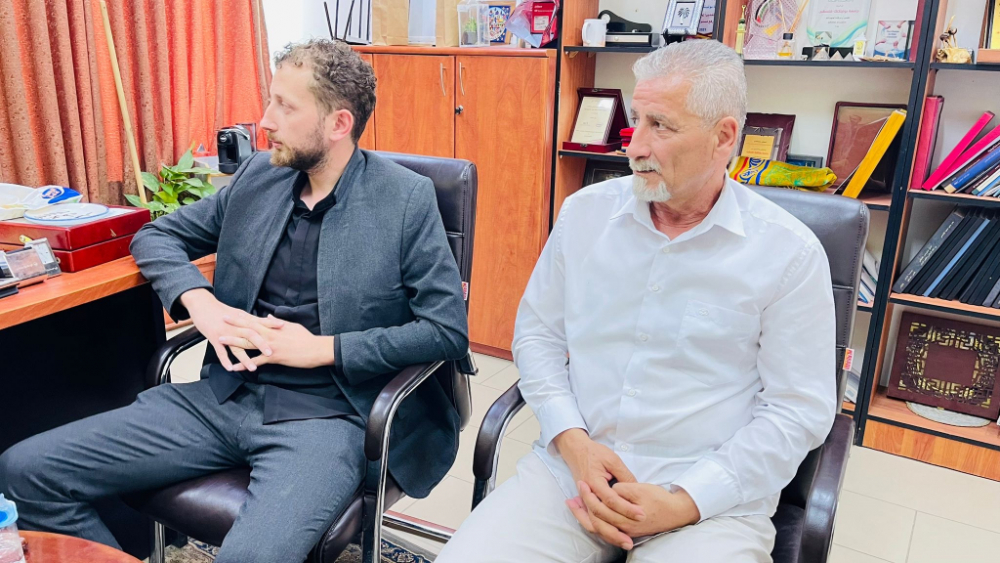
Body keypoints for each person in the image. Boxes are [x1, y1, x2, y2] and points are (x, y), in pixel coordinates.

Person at [0, 39, 469, 563]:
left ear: (339, 124)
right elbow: (157, 236)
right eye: (270, 100)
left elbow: (445, 330)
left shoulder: (404, 199)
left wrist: (323, 349)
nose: (265, 120)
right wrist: (201, 304)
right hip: (224, 397)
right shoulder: (260, 176)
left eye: (285, 106)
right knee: (26, 473)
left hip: (327, 417)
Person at [436, 39, 837, 563]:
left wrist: (686, 501)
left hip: (708, 505)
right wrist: (573, 442)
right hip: (573, 475)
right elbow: (537, 337)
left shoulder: (787, 253)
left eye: (661, 126)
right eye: (637, 121)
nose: (635, 147)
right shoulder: (585, 215)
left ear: (723, 137)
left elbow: (797, 410)